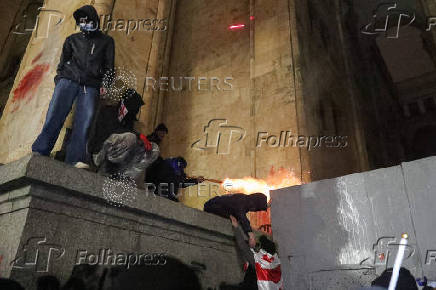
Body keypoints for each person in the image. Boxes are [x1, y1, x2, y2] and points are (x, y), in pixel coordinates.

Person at [32, 5, 115, 169]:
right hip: (68, 80)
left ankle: (75, 158)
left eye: (87, 20)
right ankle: (41, 150)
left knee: (84, 122)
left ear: (94, 19)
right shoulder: (72, 39)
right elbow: (63, 63)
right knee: (55, 115)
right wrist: (60, 81)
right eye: (81, 21)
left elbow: (109, 67)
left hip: (90, 85)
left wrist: (105, 84)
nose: (84, 23)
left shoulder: (106, 41)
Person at [93, 89, 159, 188]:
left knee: (154, 149)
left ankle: (126, 177)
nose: (135, 110)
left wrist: (144, 143)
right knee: (130, 137)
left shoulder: (129, 120)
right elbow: (111, 131)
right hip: (100, 153)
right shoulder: (108, 111)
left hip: (119, 158)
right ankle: (106, 170)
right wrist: (137, 135)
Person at [204, 193, 268, 248]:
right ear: (254, 203)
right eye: (257, 208)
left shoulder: (244, 200)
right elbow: (242, 217)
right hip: (211, 206)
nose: (254, 210)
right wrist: (251, 236)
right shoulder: (241, 201)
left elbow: (240, 216)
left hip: (217, 207)